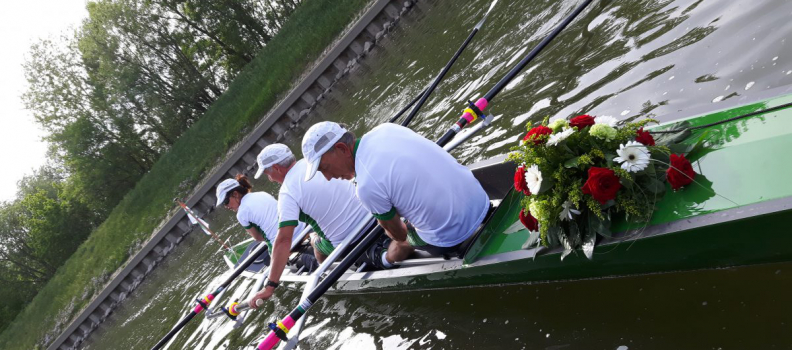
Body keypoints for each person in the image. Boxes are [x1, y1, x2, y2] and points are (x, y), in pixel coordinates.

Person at [300, 121, 490, 270]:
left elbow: (399, 234)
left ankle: (389, 258)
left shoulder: (365, 187)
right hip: (481, 198)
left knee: (398, 240)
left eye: (325, 168)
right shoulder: (386, 129)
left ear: (341, 149)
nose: (328, 177)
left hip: (451, 236)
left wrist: (389, 223)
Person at [247, 143, 370, 307]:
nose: (270, 178)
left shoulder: (287, 192)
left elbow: (284, 241)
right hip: (371, 216)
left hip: (347, 240)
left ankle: (328, 272)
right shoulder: (317, 161)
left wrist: (270, 287)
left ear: (276, 168)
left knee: (315, 241)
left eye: (268, 173)